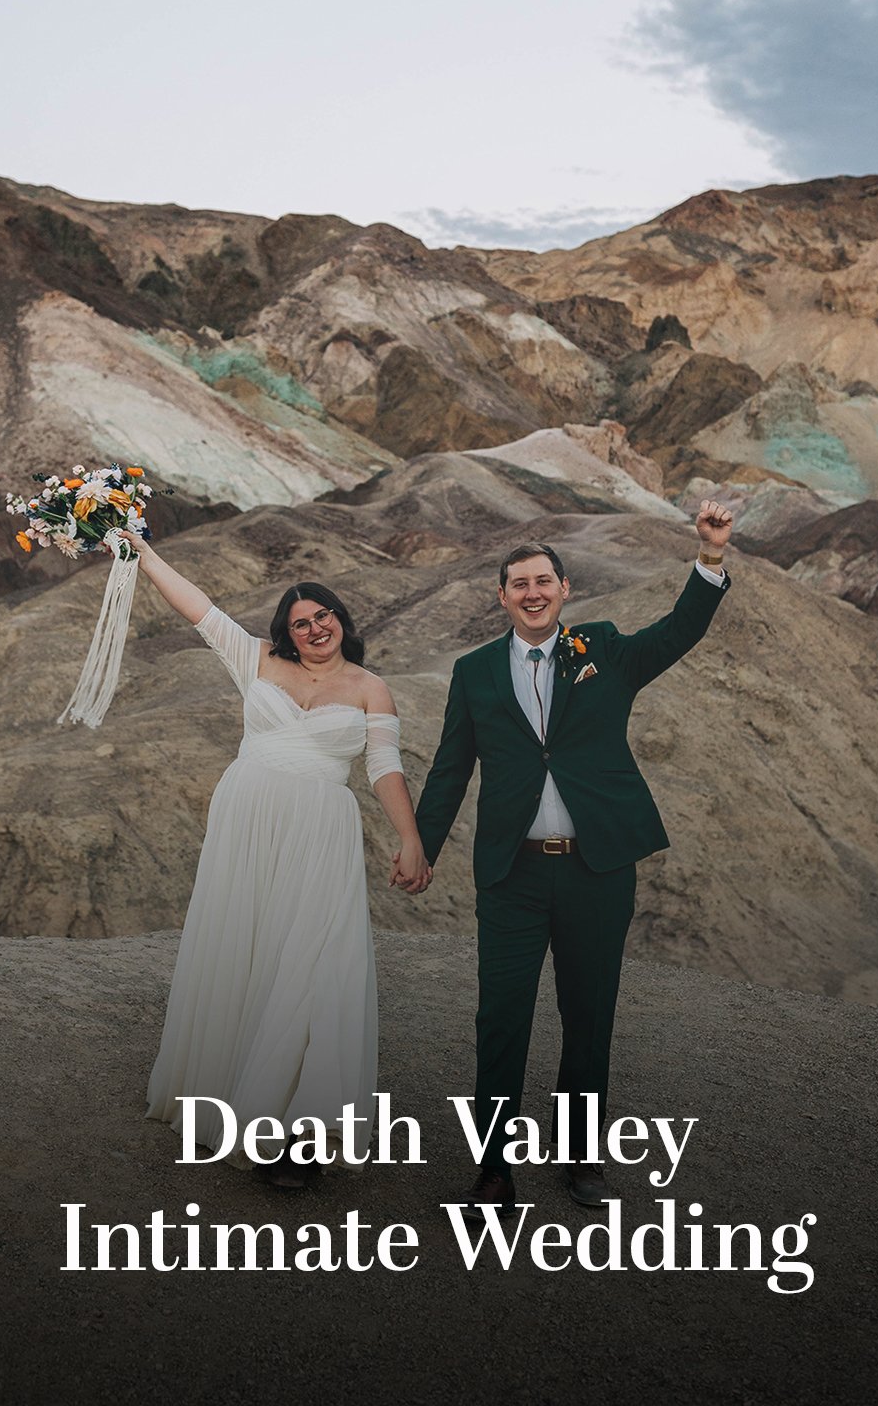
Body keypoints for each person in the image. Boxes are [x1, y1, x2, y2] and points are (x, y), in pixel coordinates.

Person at [404, 501, 732, 1215]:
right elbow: (451, 770)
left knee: (589, 1013)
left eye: (543, 580)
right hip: (512, 874)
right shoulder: (475, 672)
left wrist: (707, 560)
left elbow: (678, 632)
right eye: (517, 582)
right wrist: (420, 848)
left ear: (564, 589)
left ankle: (581, 1153)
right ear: (502, 597)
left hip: (597, 868)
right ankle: (493, 1170)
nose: (532, 592)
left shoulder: (603, 651)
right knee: (501, 1019)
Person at [116, 529, 432, 1187]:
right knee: (247, 946)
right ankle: (237, 1101)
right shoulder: (254, 658)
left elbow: (383, 767)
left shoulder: (372, 688)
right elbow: (197, 607)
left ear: (342, 621)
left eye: (323, 617)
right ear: (285, 632)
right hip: (248, 817)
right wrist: (143, 554)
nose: (314, 629)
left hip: (321, 827)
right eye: (301, 623)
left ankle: (299, 1131)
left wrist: (411, 839)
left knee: (315, 963)